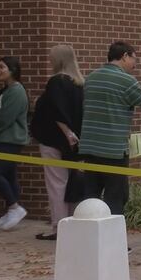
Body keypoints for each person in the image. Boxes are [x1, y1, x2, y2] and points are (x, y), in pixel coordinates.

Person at [79, 41, 141, 215]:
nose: (135, 65)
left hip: (90, 147)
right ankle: (114, 240)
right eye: (133, 59)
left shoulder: (91, 77)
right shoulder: (126, 80)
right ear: (124, 56)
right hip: (114, 149)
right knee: (116, 197)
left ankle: (89, 237)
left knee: (90, 196)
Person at [30, 45, 84, 240]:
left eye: (51, 57)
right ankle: (72, 223)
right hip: (74, 142)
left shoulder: (55, 82)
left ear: (58, 60)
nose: (49, 60)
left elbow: (56, 110)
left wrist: (67, 133)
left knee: (56, 184)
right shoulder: (79, 83)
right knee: (70, 183)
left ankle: (59, 227)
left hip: (54, 140)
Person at [0, 56, 30, 230]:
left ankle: (14, 207)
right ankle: (11, 211)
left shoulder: (17, 91)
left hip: (10, 140)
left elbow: (6, 117)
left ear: (13, 71)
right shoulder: (4, 91)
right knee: (9, 175)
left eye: (2, 67)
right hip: (2, 139)